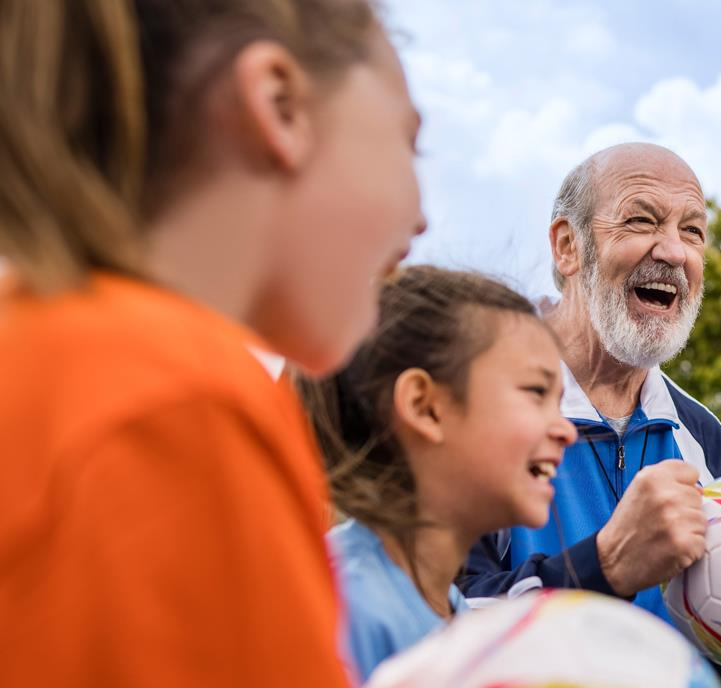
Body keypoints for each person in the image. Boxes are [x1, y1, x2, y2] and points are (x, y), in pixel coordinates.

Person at [0, 0, 424, 684]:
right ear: (280, 105)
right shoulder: (179, 402)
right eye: (410, 142)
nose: (423, 215)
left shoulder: (45, 344)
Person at [458, 143, 721, 688]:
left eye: (694, 231)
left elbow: (705, 642)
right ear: (567, 246)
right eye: (641, 220)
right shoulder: (473, 407)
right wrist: (603, 566)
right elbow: (435, 624)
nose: (674, 252)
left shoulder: (701, 434)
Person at [296, 266, 577, 680]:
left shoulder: (452, 614)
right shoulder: (338, 604)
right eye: (536, 392)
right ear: (425, 407)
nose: (567, 430)